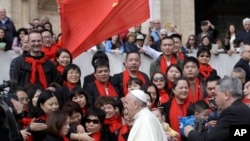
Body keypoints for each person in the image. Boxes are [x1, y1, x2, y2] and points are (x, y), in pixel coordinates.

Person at [184, 76, 250, 141]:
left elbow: (210, 139)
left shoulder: (232, 112)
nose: (215, 99)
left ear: (226, 95)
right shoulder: (242, 108)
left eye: (216, 95)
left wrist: (190, 132)